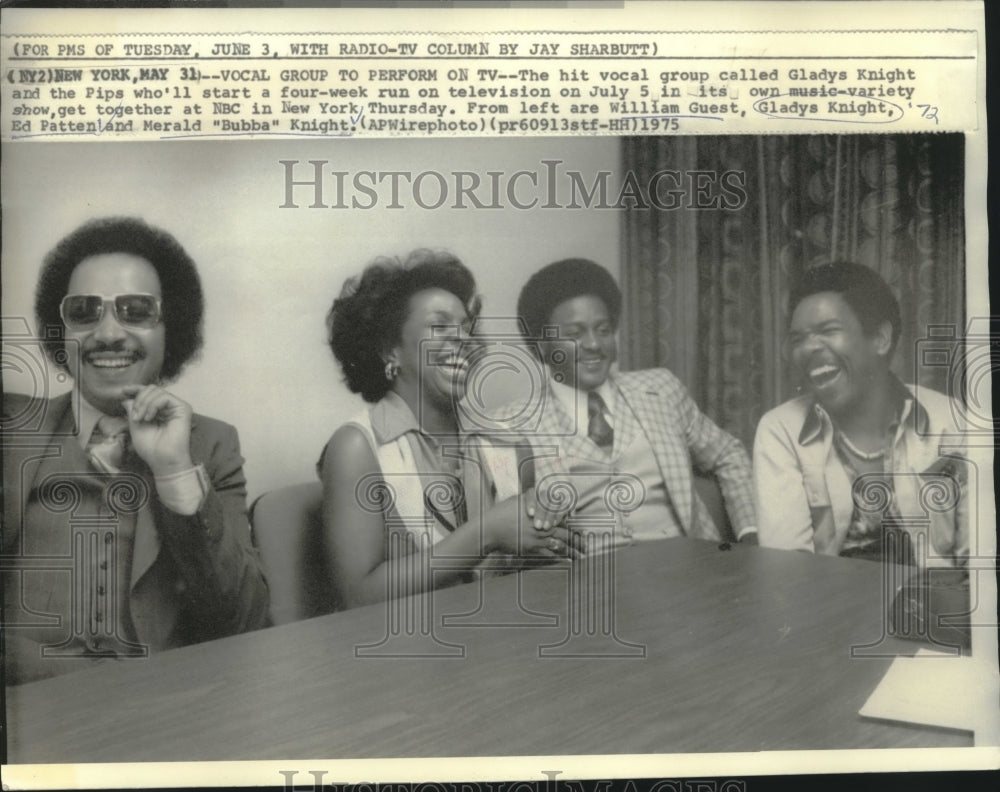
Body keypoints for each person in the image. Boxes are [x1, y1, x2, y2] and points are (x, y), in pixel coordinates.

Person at [2, 217, 269, 685]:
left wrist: (174, 470)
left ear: (172, 329)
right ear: (59, 331)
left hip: (161, 714)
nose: (108, 334)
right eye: (84, 311)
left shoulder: (212, 444)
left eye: (136, 311)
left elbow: (244, 624)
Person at [318, 250, 574, 609]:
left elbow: (530, 574)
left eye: (468, 328)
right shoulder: (357, 447)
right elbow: (357, 596)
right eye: (439, 327)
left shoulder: (511, 442)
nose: (464, 340)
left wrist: (552, 538)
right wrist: (486, 533)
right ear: (390, 350)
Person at [507, 258, 757, 549]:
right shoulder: (515, 426)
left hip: (696, 573)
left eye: (603, 330)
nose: (594, 345)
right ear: (542, 346)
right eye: (575, 334)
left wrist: (750, 536)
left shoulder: (661, 389)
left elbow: (728, 453)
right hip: (590, 587)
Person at [754, 262, 967, 567]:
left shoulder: (951, 421)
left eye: (828, 331)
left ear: (880, 338)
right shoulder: (781, 431)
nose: (809, 348)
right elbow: (787, 571)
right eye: (798, 338)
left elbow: (979, 559)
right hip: (826, 605)